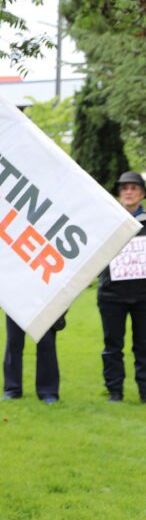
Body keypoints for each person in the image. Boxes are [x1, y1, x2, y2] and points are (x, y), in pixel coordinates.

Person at [97, 171, 146, 402]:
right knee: (112, 345)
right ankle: (115, 391)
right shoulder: (107, 222)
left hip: (143, 296)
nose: (128, 192)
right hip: (111, 294)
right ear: (118, 193)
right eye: (124, 188)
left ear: (142, 194)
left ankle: (144, 391)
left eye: (134, 188)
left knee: (144, 346)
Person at [2, 314, 62, 403]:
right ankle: (12, 389)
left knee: (46, 342)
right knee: (13, 342)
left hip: (43, 306)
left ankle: (48, 392)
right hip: (15, 305)